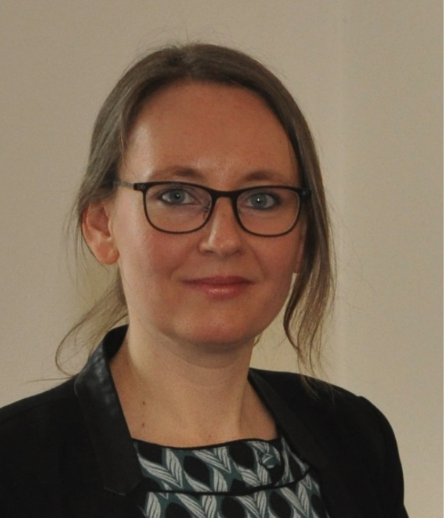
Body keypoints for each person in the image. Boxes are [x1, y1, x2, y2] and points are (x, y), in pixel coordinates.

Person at [0, 43, 408, 518]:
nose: (224, 239)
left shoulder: (358, 439)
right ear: (102, 226)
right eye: (176, 195)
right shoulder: (17, 466)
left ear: (303, 236)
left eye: (261, 199)